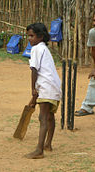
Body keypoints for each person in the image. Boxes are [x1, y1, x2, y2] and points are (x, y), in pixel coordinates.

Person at [25, 23, 62, 159]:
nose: (29, 39)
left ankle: (39, 150)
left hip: (46, 86)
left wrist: (33, 89)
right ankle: (48, 144)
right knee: (50, 116)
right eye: (28, 36)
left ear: (40, 37)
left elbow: (34, 69)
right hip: (55, 87)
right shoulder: (44, 48)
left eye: (32, 36)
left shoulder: (36, 49)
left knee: (43, 117)